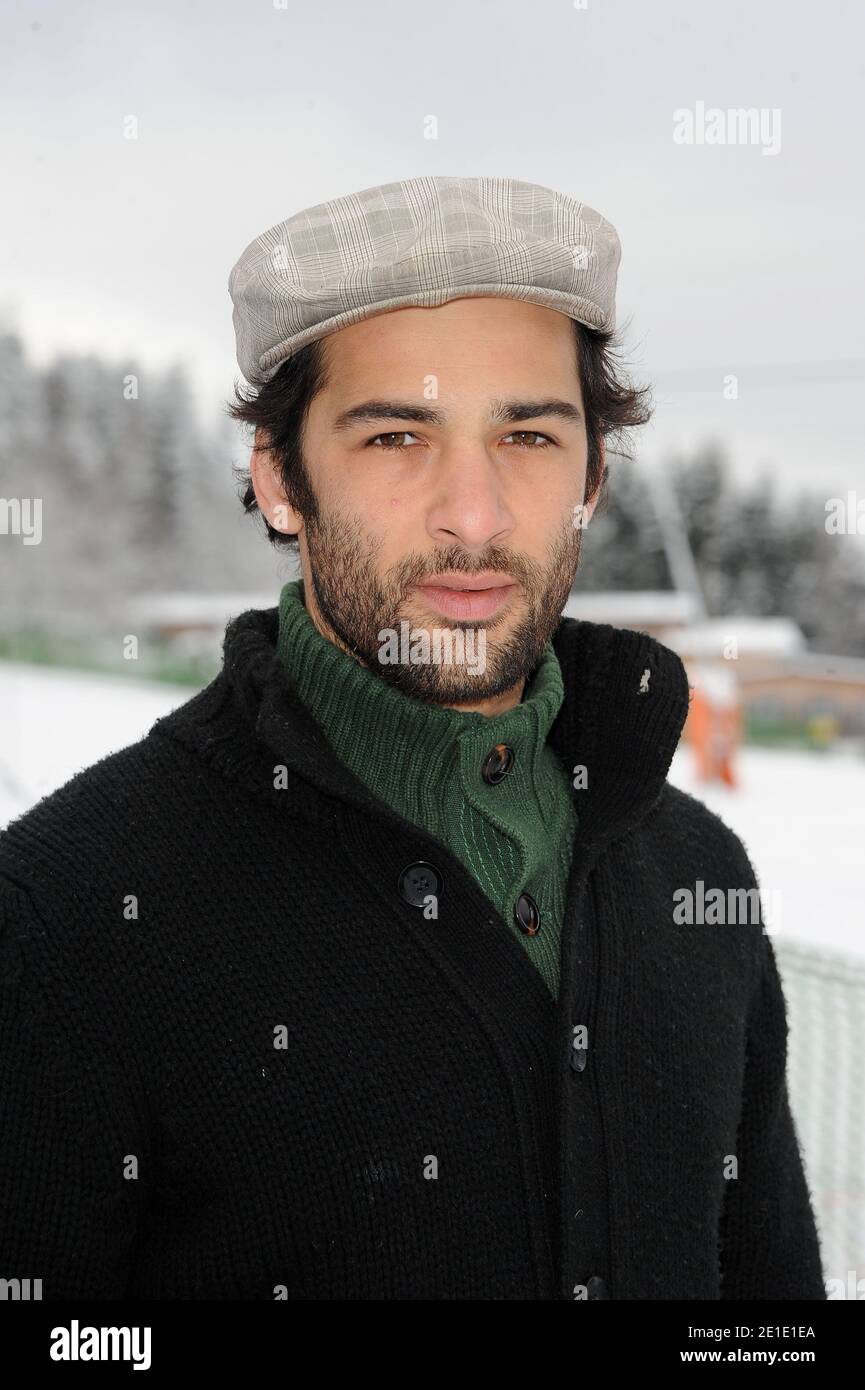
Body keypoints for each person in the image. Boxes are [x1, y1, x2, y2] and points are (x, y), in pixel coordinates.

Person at [0, 176, 825, 1299]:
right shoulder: (68, 914)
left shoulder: (695, 877)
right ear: (281, 478)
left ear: (590, 476)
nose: (474, 516)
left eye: (527, 435)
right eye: (396, 435)